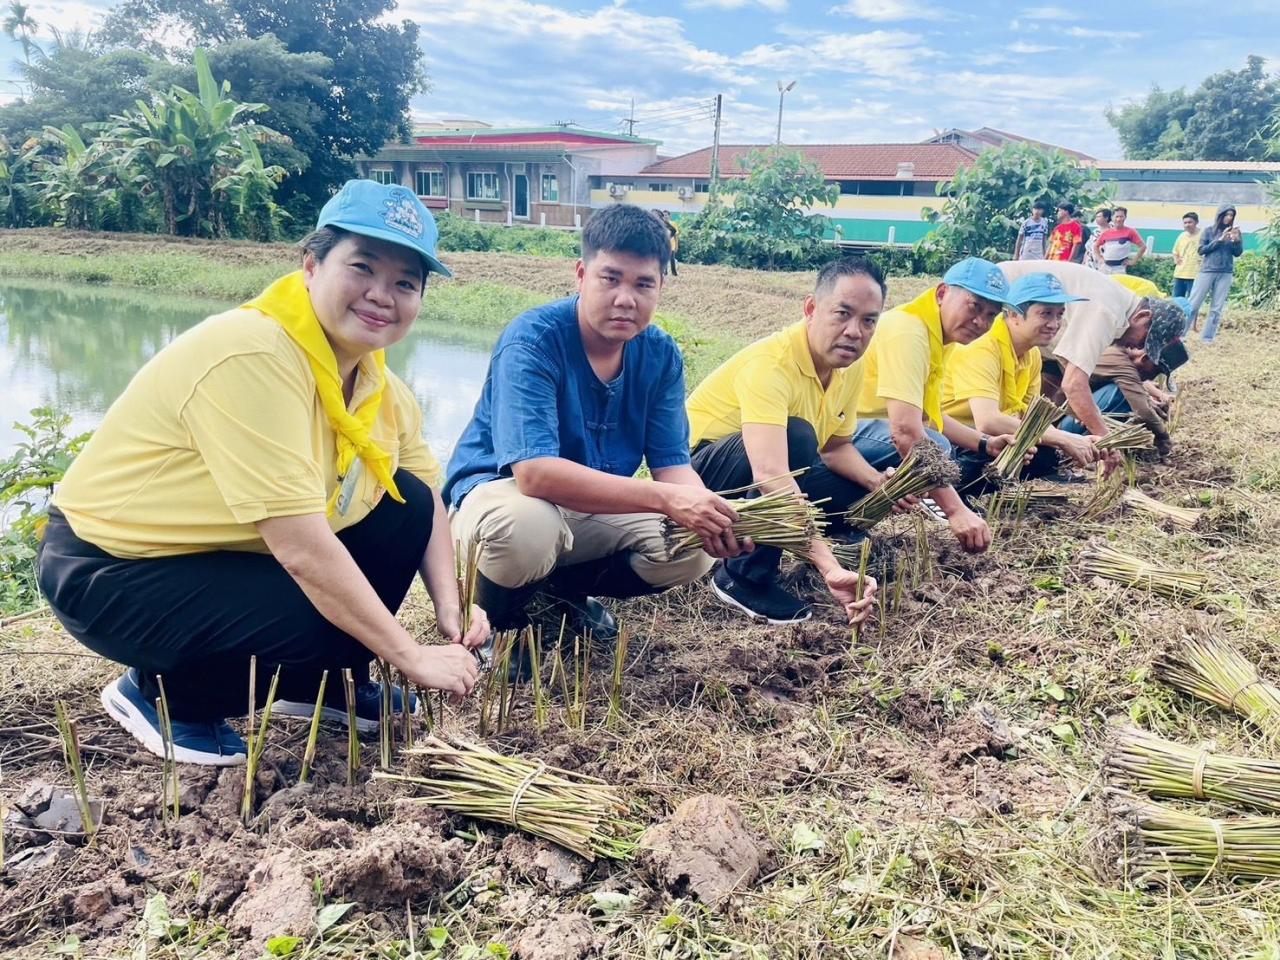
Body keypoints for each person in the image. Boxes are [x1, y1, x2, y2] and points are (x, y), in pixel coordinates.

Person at [36, 180, 488, 766]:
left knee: (405, 508)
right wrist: (409, 655)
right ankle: (164, 696)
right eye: (362, 268)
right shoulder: (254, 354)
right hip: (110, 568)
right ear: (310, 266)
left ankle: (314, 684)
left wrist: (452, 603)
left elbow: (426, 495)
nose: (382, 295)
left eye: (405, 283)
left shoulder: (379, 384)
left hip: (224, 553)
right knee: (322, 612)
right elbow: (302, 550)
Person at [444, 204, 743, 651]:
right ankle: (499, 625)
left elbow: (672, 464)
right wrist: (665, 498)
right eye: (611, 278)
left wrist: (709, 511)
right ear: (581, 274)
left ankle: (560, 592)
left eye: (644, 283)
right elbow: (535, 474)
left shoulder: (660, 355)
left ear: (661, 286)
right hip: (501, 495)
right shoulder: (533, 339)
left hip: (587, 502)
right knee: (527, 527)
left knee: (691, 547)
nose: (627, 298)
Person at [685, 257, 886, 625]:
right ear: (811, 308)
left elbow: (837, 448)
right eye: (842, 313)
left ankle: (817, 531)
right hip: (700, 478)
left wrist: (878, 486)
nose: (855, 331)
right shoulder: (772, 365)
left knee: (859, 477)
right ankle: (742, 575)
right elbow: (770, 473)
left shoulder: (848, 365)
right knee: (797, 436)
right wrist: (828, 565)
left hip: (770, 469)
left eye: (868, 320)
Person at [854, 257, 1019, 554]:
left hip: (863, 431)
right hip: (840, 434)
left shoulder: (936, 334)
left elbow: (929, 416)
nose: (981, 322)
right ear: (942, 293)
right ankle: (848, 522)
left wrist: (985, 443)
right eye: (974, 307)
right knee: (937, 449)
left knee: (939, 448)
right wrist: (956, 511)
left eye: (991, 315)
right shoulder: (910, 332)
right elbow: (905, 430)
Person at [998, 259, 1182, 465]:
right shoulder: (1106, 311)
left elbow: (1057, 374)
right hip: (998, 298)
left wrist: (1045, 434)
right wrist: (1106, 441)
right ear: (1143, 316)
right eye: (1145, 340)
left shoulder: (1115, 309)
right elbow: (1074, 384)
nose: (1138, 347)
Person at [942, 273, 1099, 493]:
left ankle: (985, 488)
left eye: (1059, 314)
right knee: (998, 447)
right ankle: (952, 492)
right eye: (1045, 313)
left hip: (988, 435)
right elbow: (988, 421)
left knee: (1046, 454)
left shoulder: (1031, 354)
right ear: (1014, 314)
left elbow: (1029, 416)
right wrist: (1063, 438)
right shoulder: (981, 348)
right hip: (956, 437)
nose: (1054, 324)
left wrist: (1069, 440)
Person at [1188, 204, 1243, 342]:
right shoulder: (1208, 231)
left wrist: (1237, 241)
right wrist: (1219, 241)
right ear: (1220, 215)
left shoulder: (1234, 231)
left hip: (1226, 272)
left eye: (1231, 215)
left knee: (1216, 308)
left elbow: (1238, 253)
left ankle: (1208, 338)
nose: (1229, 218)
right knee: (1193, 304)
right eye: (1226, 215)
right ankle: (1180, 335)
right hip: (1207, 270)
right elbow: (1201, 250)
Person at [1094, 206, 1147, 275]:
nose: (1118, 219)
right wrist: (1100, 259)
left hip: (1120, 268)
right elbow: (1095, 246)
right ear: (1112, 218)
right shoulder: (1106, 233)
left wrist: (1133, 261)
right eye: (1116, 216)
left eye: (1121, 216)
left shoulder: (1130, 231)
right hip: (1105, 267)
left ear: (1125, 217)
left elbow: (1143, 247)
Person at [1171, 212, 1201, 299]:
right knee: (1177, 299)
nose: (1187, 225)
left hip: (1195, 274)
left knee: (1193, 300)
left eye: (1190, 222)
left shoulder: (1203, 234)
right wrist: (1176, 259)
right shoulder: (1181, 236)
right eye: (1185, 223)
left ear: (1196, 222)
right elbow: (1175, 251)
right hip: (1180, 273)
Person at [657, 209, 680, 277]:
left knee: (672, 259)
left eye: (666, 215)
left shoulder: (672, 223)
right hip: (662, 245)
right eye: (664, 215)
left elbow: (675, 233)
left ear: (669, 216)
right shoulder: (660, 223)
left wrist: (676, 244)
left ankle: (674, 273)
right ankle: (665, 272)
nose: (665, 216)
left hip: (671, 244)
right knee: (663, 259)